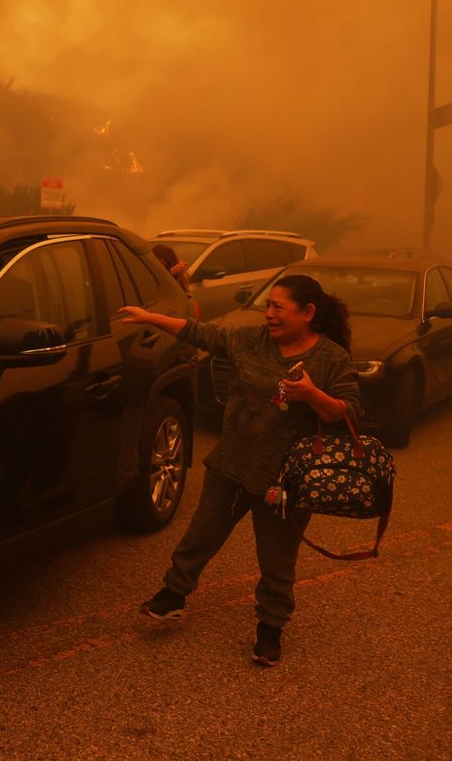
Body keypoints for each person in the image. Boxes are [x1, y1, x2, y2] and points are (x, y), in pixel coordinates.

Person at [117, 274, 360, 666]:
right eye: (268, 306)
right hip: (231, 465)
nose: (269, 315)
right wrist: (150, 317)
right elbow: (202, 333)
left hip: (284, 483)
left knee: (277, 560)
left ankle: (270, 628)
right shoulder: (252, 341)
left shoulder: (331, 359)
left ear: (308, 313)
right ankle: (173, 595)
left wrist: (311, 394)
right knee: (200, 537)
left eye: (278, 307)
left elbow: (350, 415)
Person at [150, 244, 198, 318]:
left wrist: (171, 273)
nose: (159, 267)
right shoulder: (149, 277)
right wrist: (171, 272)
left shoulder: (177, 282)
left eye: (161, 264)